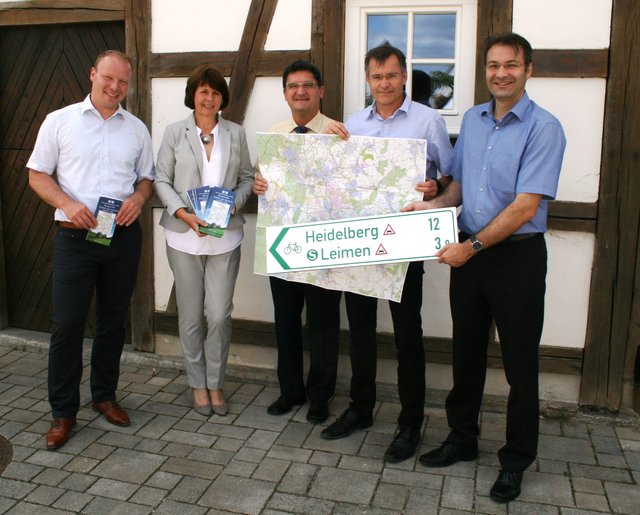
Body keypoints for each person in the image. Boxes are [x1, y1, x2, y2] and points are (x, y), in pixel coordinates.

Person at [403, 33, 566, 502]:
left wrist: (469, 247)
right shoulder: (472, 120)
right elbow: (456, 187)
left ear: (528, 69)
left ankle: (515, 461)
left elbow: (524, 206)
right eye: (493, 65)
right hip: (468, 251)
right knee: (466, 353)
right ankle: (462, 438)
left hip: (516, 256)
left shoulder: (544, 128)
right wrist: (428, 207)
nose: (501, 73)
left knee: (519, 364)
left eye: (511, 65)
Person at [322, 44, 453, 463]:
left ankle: (410, 422)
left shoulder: (428, 119)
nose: (385, 84)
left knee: (406, 336)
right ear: (368, 79)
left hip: (404, 243)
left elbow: (449, 177)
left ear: (404, 77)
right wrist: (324, 148)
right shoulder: (352, 124)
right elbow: (337, 179)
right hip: (361, 243)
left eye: (392, 76)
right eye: (377, 77)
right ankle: (361, 409)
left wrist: (435, 189)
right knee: (360, 333)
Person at [27, 50, 155, 450]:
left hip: (120, 236)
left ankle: (104, 396)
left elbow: (145, 180)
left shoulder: (136, 128)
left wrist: (137, 199)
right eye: (108, 79)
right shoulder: (59, 121)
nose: (115, 88)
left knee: (113, 322)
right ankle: (63, 412)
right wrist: (66, 203)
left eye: (123, 82)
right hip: (75, 238)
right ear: (92, 75)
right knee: (66, 325)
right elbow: (36, 174)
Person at [155, 66, 253, 417]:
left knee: (221, 315)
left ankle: (216, 382)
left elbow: (246, 179)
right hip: (184, 237)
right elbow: (161, 179)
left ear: (222, 98)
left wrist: (232, 207)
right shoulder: (174, 133)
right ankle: (198, 384)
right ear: (192, 95)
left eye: (215, 92)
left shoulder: (235, 133)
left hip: (224, 238)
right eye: (202, 91)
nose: (209, 98)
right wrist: (182, 212)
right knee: (192, 316)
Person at [253, 60, 342, 424]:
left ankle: (321, 396)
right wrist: (259, 184)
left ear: (320, 90)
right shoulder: (274, 136)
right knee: (285, 321)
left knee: (324, 324)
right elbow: (266, 184)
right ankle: (290, 391)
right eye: (293, 86)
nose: (300, 91)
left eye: (308, 85)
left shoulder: (340, 134)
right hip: (285, 243)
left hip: (322, 244)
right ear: (285, 93)